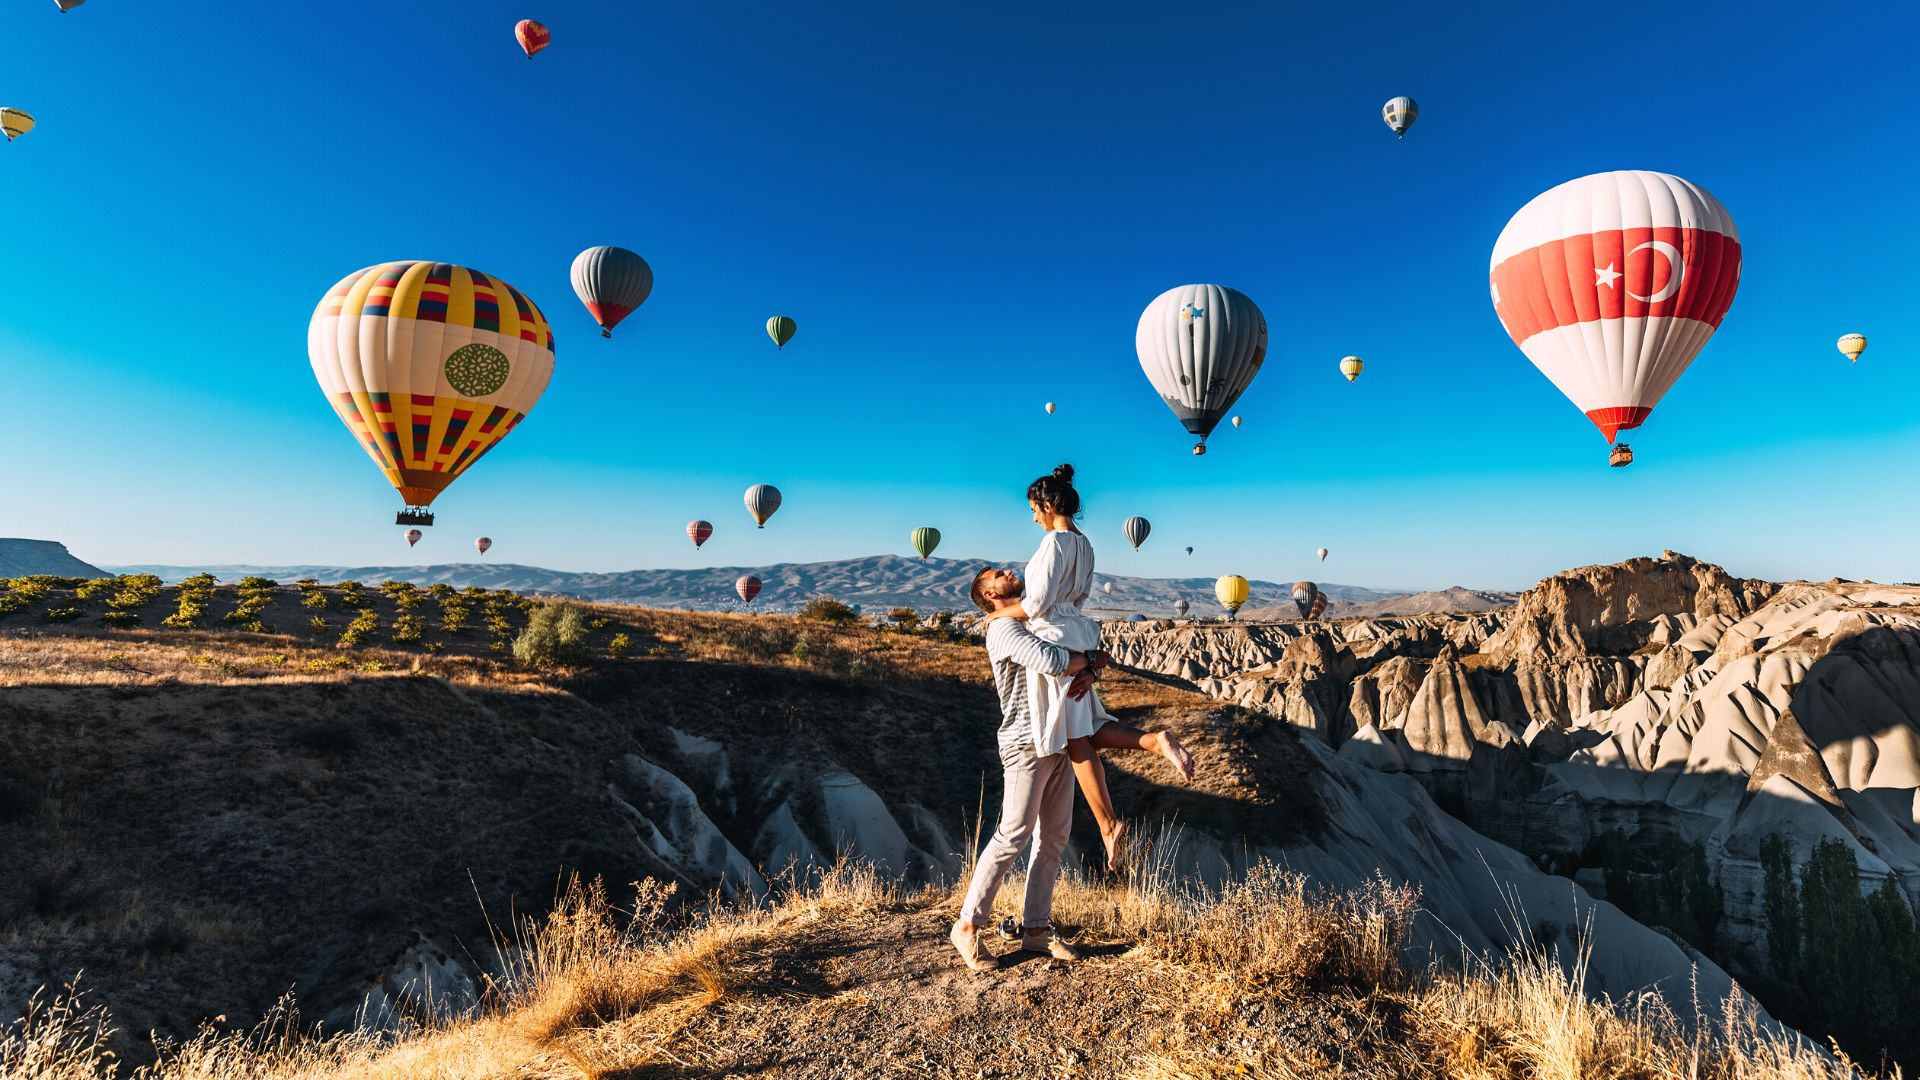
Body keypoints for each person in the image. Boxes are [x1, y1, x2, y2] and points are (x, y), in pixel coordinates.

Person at [951, 566, 1193, 971]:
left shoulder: (1040, 619)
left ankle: (1035, 931)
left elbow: (1082, 650)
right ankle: (968, 926)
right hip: (1026, 744)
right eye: (997, 574)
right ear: (988, 594)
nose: (1009, 570)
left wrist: (1094, 665)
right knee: (1013, 835)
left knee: (1054, 839)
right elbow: (1049, 660)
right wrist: (1089, 661)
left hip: (1060, 740)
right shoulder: (1002, 630)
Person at [978, 464, 1154, 870]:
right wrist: (1092, 659)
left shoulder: (1052, 544)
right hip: (1080, 631)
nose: (1033, 517)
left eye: (1033, 509)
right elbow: (1081, 595)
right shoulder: (1084, 543)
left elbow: (1038, 604)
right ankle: (1115, 809)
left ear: (1044, 503)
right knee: (1083, 733)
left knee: (1077, 738)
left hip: (1055, 635)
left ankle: (1110, 823)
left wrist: (997, 616)